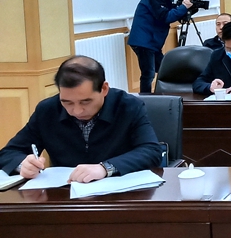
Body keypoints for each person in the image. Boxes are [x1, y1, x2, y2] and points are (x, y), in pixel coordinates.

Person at [0, 56, 162, 181]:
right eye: (67, 102)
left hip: (120, 195)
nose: (76, 111)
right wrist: (22, 164)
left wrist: (105, 168)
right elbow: (8, 153)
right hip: (65, 195)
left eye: (85, 101)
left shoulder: (128, 106)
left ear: (104, 88)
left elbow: (151, 151)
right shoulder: (47, 110)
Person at [128, 0, 193, 93]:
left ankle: (163, 94)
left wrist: (186, 9)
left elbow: (171, 13)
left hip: (152, 42)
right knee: (148, 73)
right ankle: (146, 99)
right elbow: (165, 17)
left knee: (165, 68)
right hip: (144, 41)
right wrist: (184, 7)